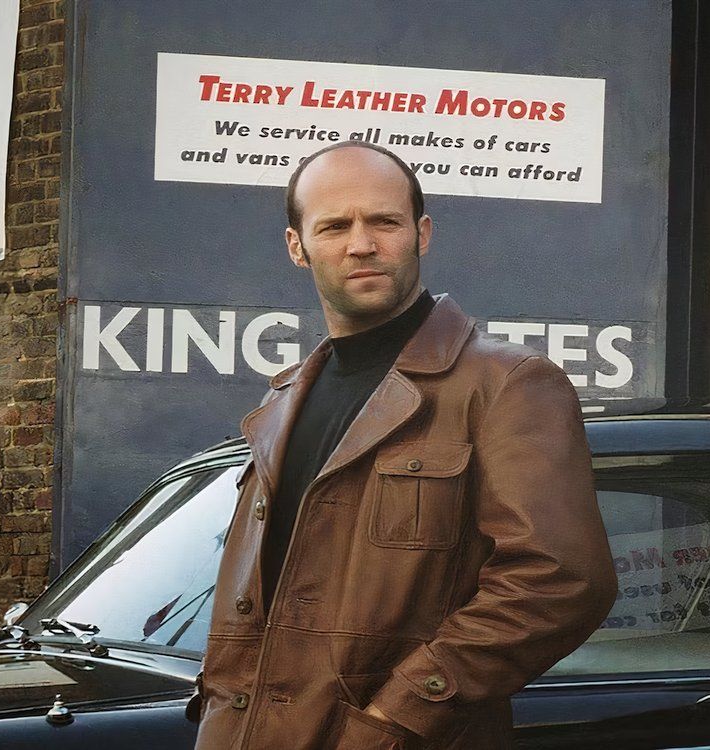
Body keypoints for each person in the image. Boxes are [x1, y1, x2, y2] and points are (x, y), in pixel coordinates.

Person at [193, 141, 617, 750]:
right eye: (335, 226)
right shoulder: (282, 402)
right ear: (297, 247)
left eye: (384, 222)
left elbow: (559, 580)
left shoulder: (506, 384)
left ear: (422, 234)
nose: (361, 243)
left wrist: (396, 720)